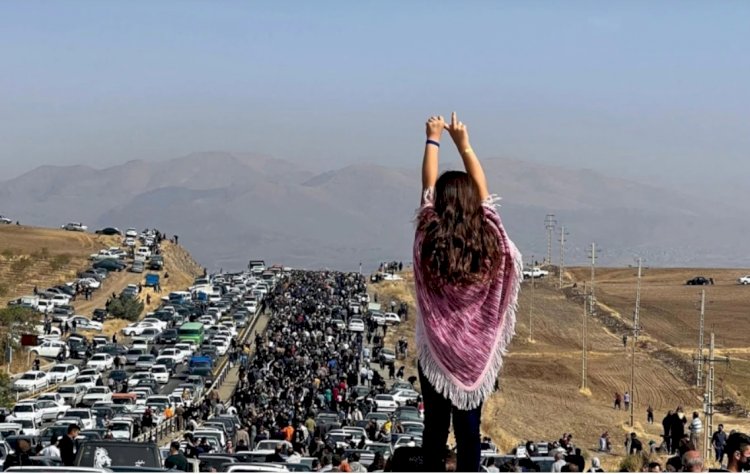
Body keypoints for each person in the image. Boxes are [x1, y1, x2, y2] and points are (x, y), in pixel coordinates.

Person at [413, 112, 522, 473]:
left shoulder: (428, 238)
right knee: (469, 431)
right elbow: (486, 197)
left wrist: (433, 139)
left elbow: (427, 190)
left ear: (441, 203)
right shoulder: (491, 241)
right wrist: (465, 145)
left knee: (435, 429)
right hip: (475, 357)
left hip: (436, 351)